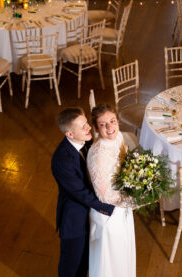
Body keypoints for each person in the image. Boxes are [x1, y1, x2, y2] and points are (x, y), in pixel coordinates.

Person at [51, 107, 115, 277]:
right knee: (72, 265)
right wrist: (108, 207)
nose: (88, 127)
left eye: (86, 122)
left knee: (87, 259)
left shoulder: (86, 141)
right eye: (83, 126)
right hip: (75, 218)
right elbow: (80, 193)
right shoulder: (61, 160)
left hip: (90, 213)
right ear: (69, 134)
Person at [87, 104, 136, 277]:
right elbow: (104, 196)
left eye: (112, 121)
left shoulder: (118, 136)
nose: (110, 128)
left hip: (123, 208)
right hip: (109, 214)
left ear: (117, 121)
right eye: (103, 124)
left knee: (123, 257)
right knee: (112, 262)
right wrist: (134, 195)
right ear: (96, 128)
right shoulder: (99, 155)